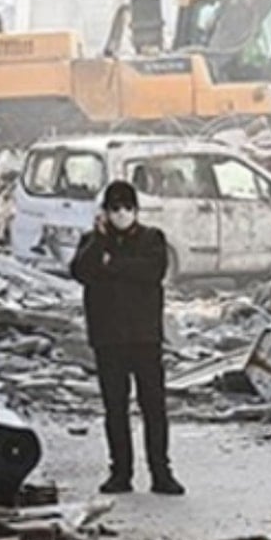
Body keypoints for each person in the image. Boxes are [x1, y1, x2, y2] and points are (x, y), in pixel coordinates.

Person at [69, 181, 185, 495]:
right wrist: (100, 243)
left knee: (154, 407)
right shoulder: (92, 241)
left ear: (136, 209)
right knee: (115, 408)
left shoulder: (151, 238)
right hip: (108, 338)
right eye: (115, 208)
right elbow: (81, 271)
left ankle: (161, 473)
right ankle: (120, 472)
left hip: (144, 337)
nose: (121, 213)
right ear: (105, 212)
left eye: (127, 207)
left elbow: (152, 271)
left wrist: (113, 265)